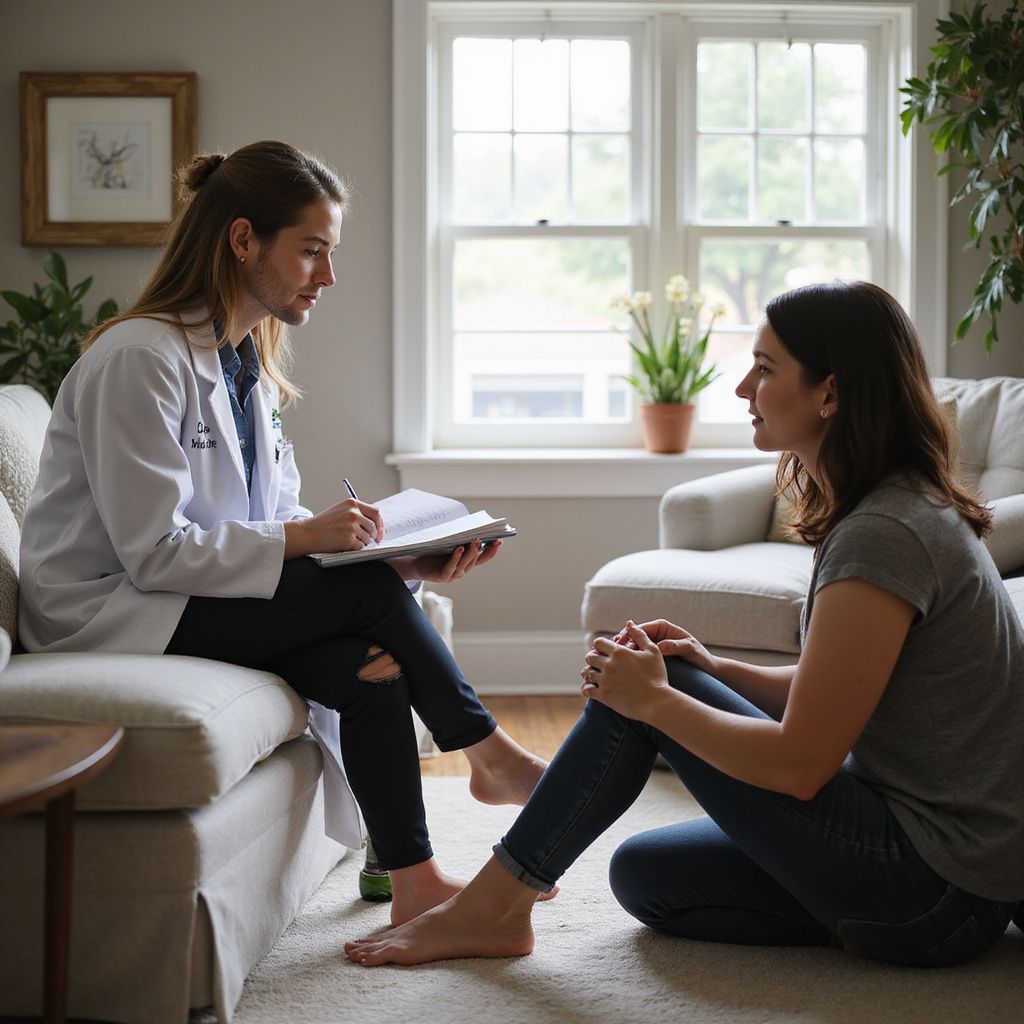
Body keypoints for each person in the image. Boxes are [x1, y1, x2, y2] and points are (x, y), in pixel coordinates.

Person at [344, 280, 1024, 967]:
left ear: (830, 394)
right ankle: (843, 913)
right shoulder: (889, 507)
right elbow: (834, 690)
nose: (741, 389)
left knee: (648, 687)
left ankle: (491, 909)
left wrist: (657, 701)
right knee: (646, 878)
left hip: (938, 888)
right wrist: (716, 668)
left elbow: (801, 766)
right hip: (927, 862)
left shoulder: (884, 533)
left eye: (764, 369)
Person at [18, 140, 548, 926]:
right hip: (111, 610)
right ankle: (487, 750)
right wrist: (317, 549)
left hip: (193, 594)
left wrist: (401, 562)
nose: (327, 276)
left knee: (371, 666)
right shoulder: (139, 359)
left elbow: (275, 521)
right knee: (363, 595)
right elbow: (154, 552)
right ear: (243, 241)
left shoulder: (243, 366)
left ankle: (416, 881)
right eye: (312, 252)